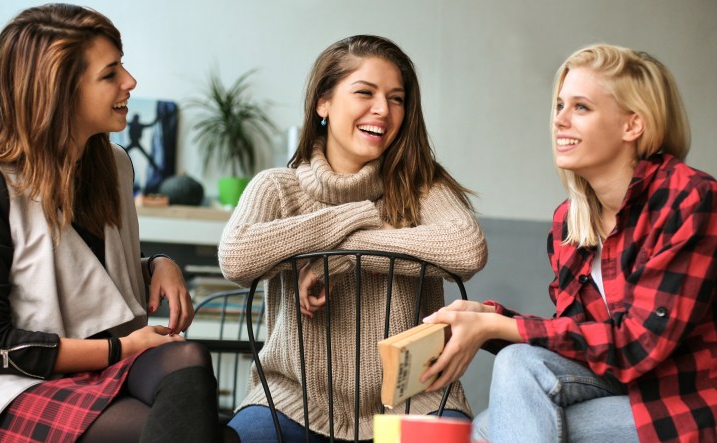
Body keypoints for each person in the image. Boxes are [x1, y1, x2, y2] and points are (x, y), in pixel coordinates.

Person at [0, 4, 221, 442]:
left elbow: (85, 271)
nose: (129, 82)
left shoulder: (112, 165)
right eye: (110, 72)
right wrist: (122, 348)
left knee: (188, 358)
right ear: (59, 90)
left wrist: (155, 265)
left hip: (109, 356)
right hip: (16, 379)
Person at [423, 43, 717, 443]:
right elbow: (582, 337)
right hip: (623, 391)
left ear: (633, 124)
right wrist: (485, 318)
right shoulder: (571, 220)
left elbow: (637, 346)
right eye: (559, 105)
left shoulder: (688, 199)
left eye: (581, 107)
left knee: (495, 427)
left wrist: (498, 326)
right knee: (507, 388)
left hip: (687, 403)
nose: (559, 120)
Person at [219, 34, 488, 441]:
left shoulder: (423, 188)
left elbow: (467, 249)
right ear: (322, 103)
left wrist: (338, 255)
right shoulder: (276, 187)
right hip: (292, 400)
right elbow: (236, 258)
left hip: (414, 399)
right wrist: (360, 214)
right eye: (365, 92)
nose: (382, 109)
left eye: (397, 98)